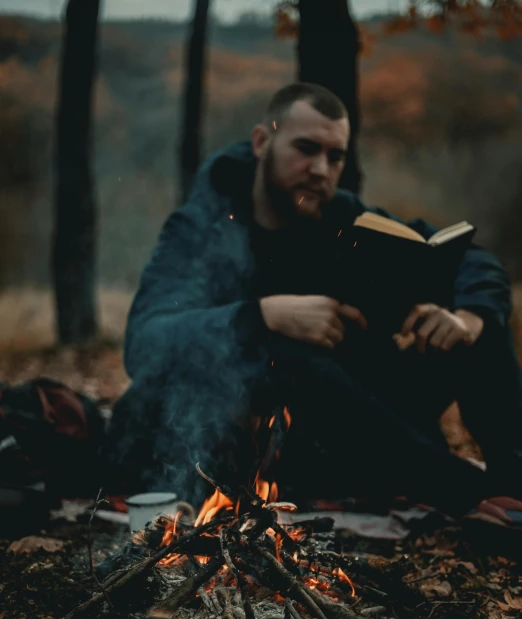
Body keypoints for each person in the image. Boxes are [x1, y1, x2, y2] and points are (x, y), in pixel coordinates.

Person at [105, 82, 522, 525]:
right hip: (259, 440)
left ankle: (512, 492)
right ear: (263, 142)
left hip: (366, 423)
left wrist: (468, 317)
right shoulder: (201, 229)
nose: (321, 169)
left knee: (481, 320)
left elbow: (472, 259)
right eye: (306, 149)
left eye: (335, 156)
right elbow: (144, 342)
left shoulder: (343, 217)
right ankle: (467, 492)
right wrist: (264, 316)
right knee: (285, 355)